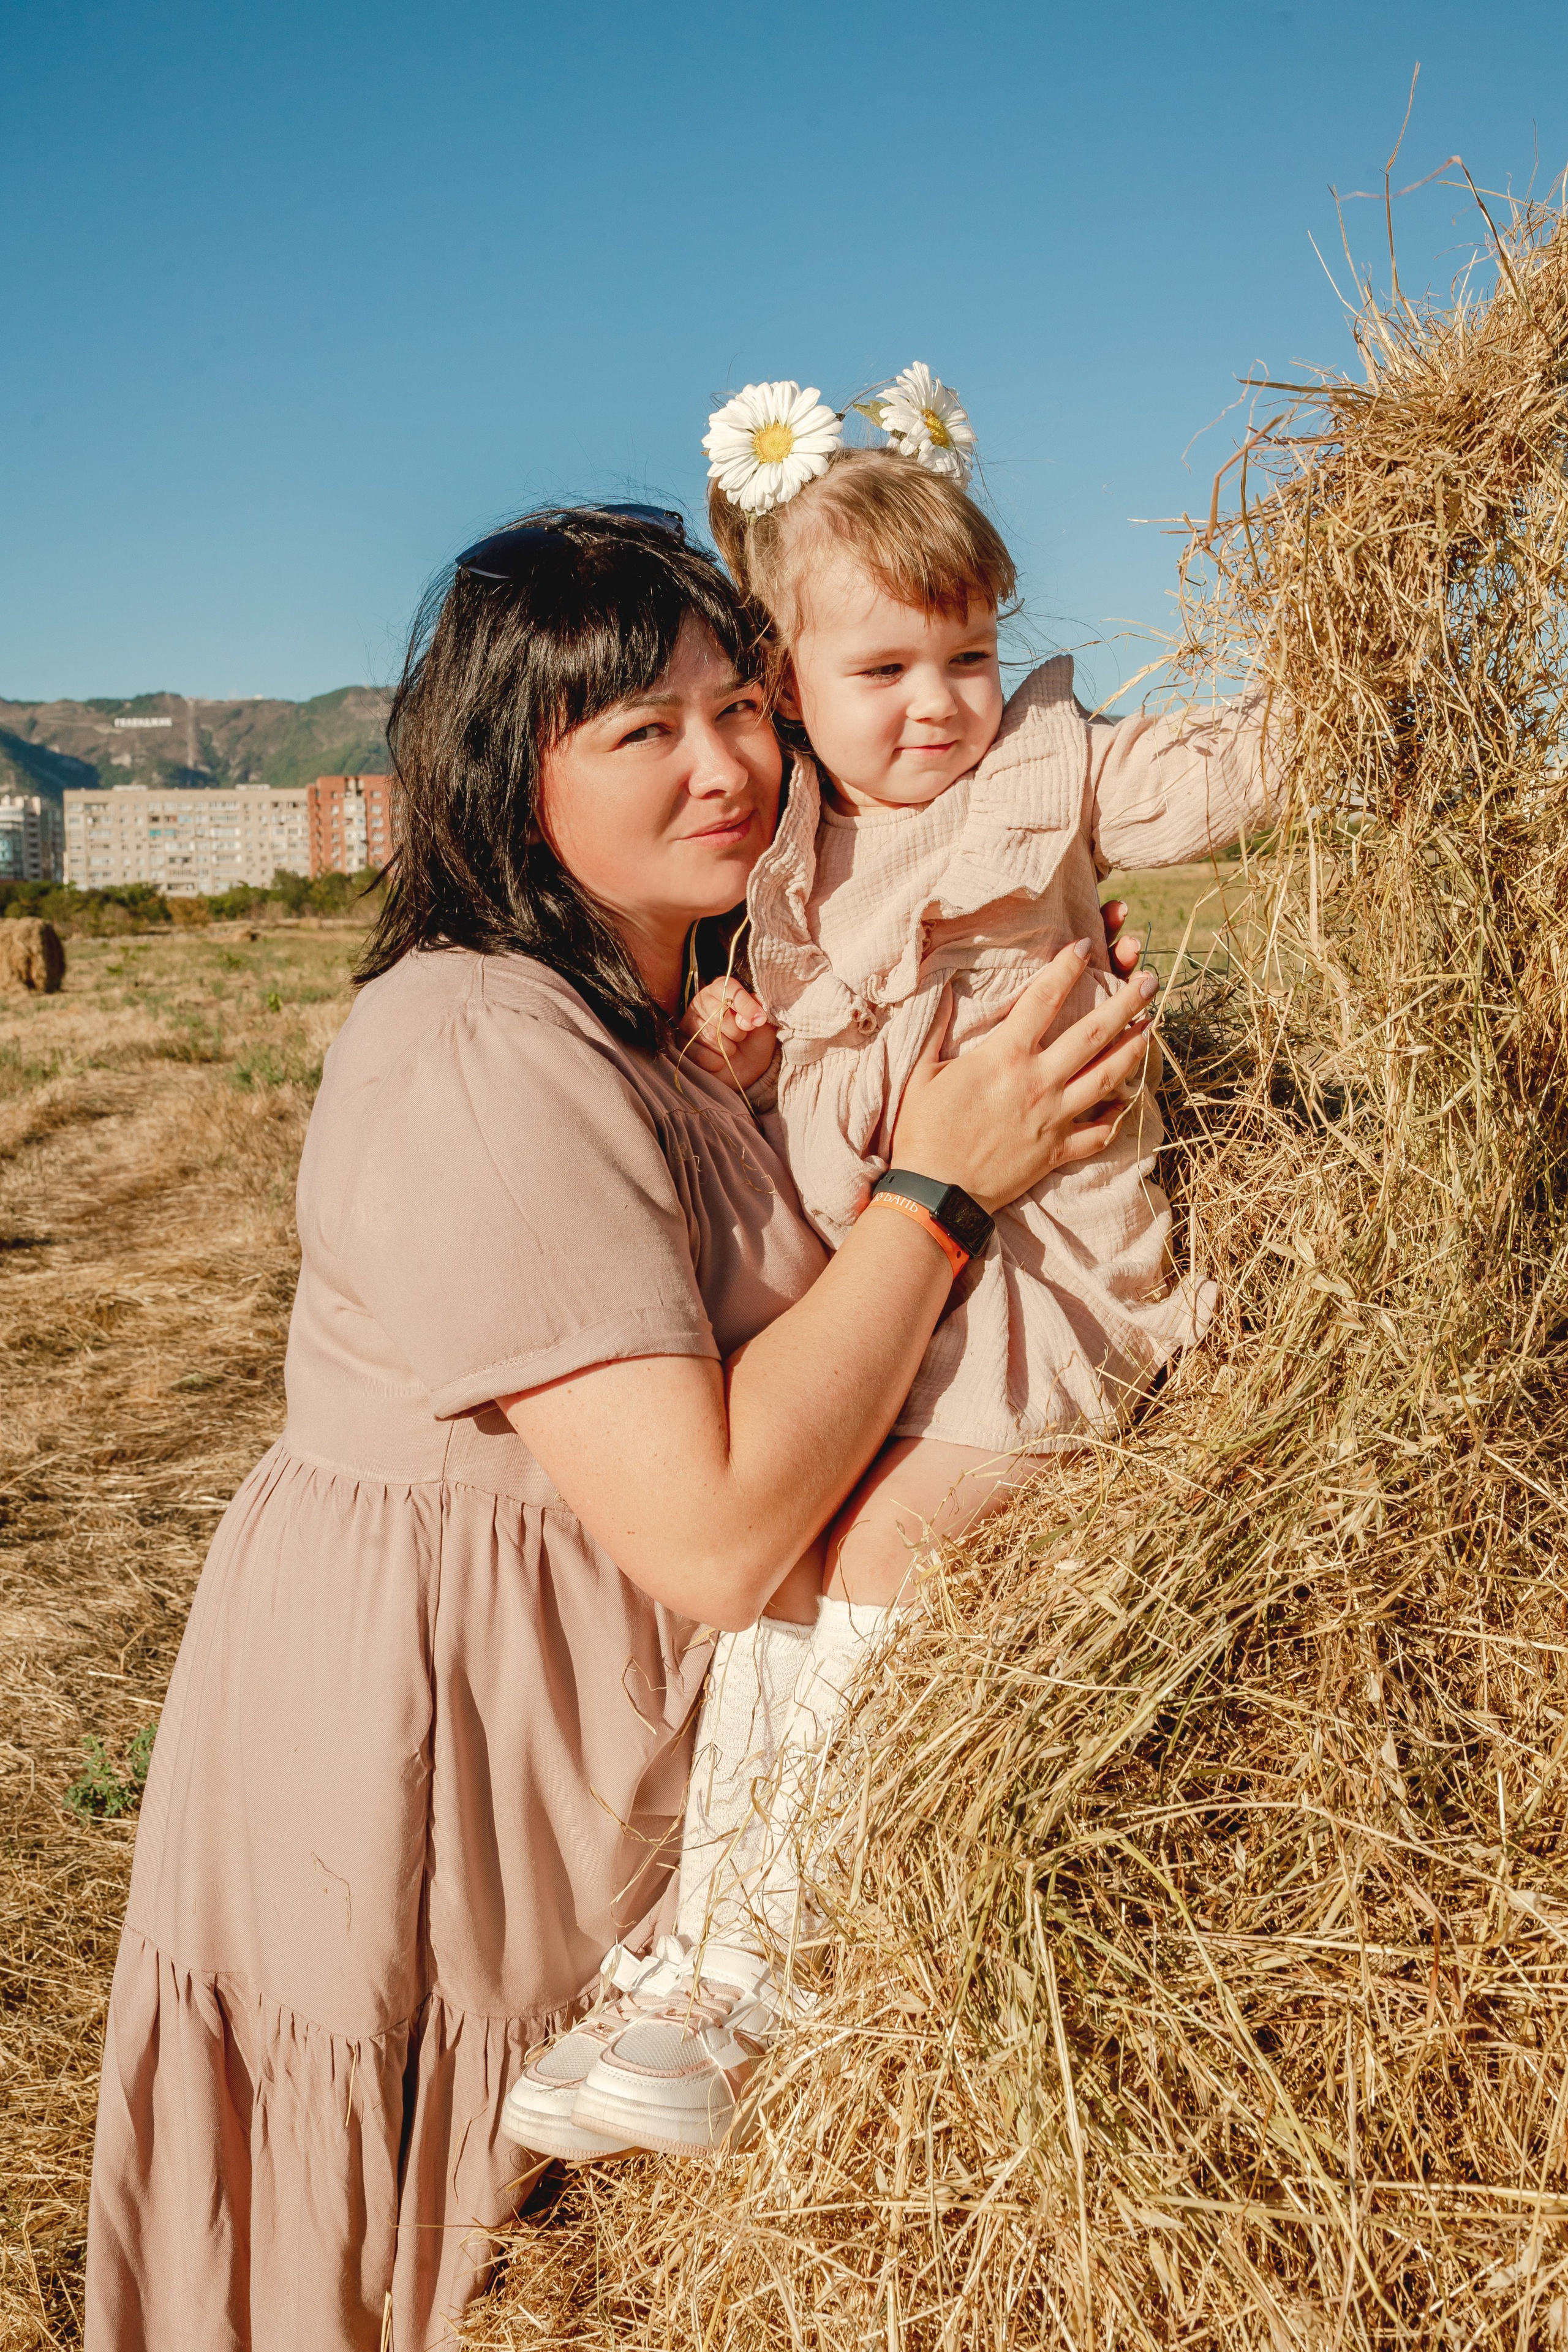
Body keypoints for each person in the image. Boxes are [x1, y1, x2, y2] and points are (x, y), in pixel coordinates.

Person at [85, 503, 1156, 2350]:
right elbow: (719, 1533)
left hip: (593, 1740)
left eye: (742, 704)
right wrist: (944, 1189)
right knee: (415, 2251)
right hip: (449, 1767)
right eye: (639, 732)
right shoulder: (479, 1051)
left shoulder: (680, 1019)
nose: (727, 763)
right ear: (511, 777)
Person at [513, 372, 1278, 2165]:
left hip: (1046, 1284)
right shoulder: (774, 859)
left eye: (967, 654)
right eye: (884, 672)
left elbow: (1226, 771)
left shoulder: (1050, 766)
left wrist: (1360, 643)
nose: (940, 706)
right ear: (783, 680)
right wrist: (741, 1044)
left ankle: (760, 1972)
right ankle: (684, 1962)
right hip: (884, 1290)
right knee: (771, 1553)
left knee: (876, 1545)